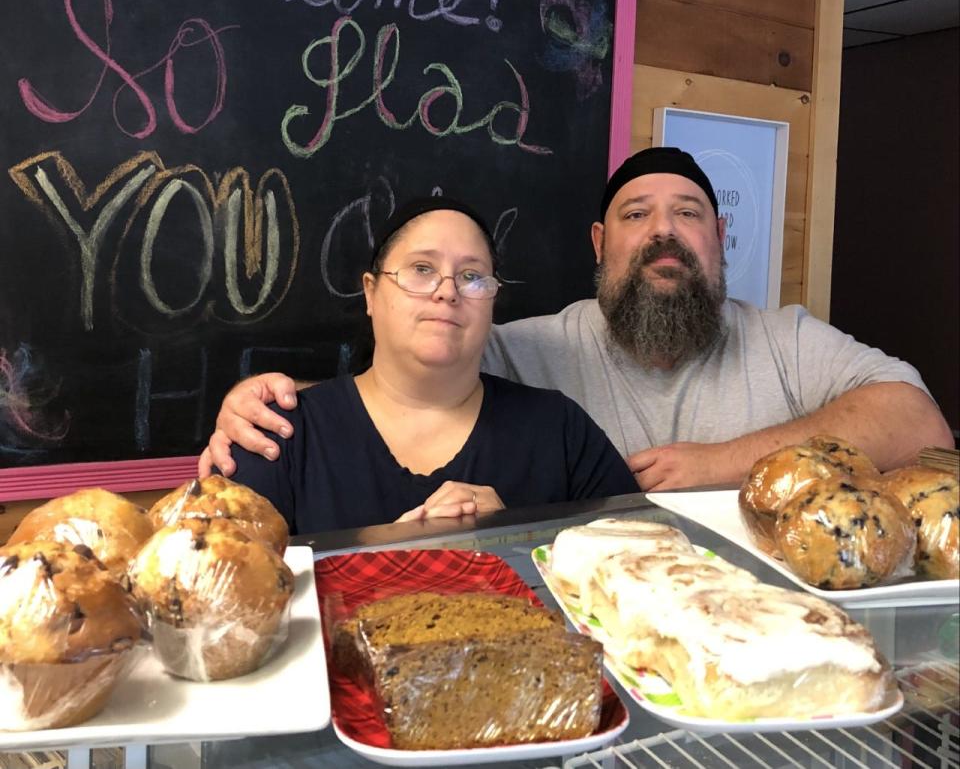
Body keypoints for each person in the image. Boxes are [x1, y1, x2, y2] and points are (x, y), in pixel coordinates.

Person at [203, 148, 953, 492]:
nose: (665, 231)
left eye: (688, 214)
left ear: (719, 238)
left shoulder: (785, 340)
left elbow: (919, 424)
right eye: (637, 214)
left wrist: (719, 463)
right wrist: (276, 409)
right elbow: (414, 362)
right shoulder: (531, 349)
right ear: (601, 244)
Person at [221, 196, 637, 533]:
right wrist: (385, 563)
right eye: (422, 269)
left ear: (492, 302)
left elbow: (636, 567)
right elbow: (230, 606)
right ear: (371, 293)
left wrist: (515, 535)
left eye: (472, 276)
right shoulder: (281, 434)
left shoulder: (559, 429)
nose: (447, 292)